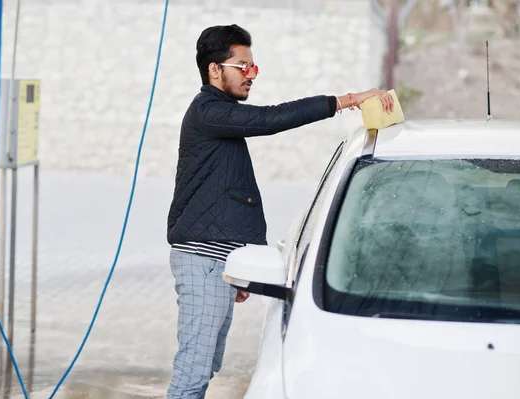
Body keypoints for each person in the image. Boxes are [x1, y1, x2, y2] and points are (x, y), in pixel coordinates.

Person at [166, 24, 394, 398]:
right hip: (203, 260)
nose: (252, 75)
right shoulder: (208, 111)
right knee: (192, 372)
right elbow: (270, 120)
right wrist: (347, 100)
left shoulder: (219, 116)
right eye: (243, 66)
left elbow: (228, 189)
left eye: (253, 67)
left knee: (204, 367)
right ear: (214, 70)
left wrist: (240, 260)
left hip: (217, 260)